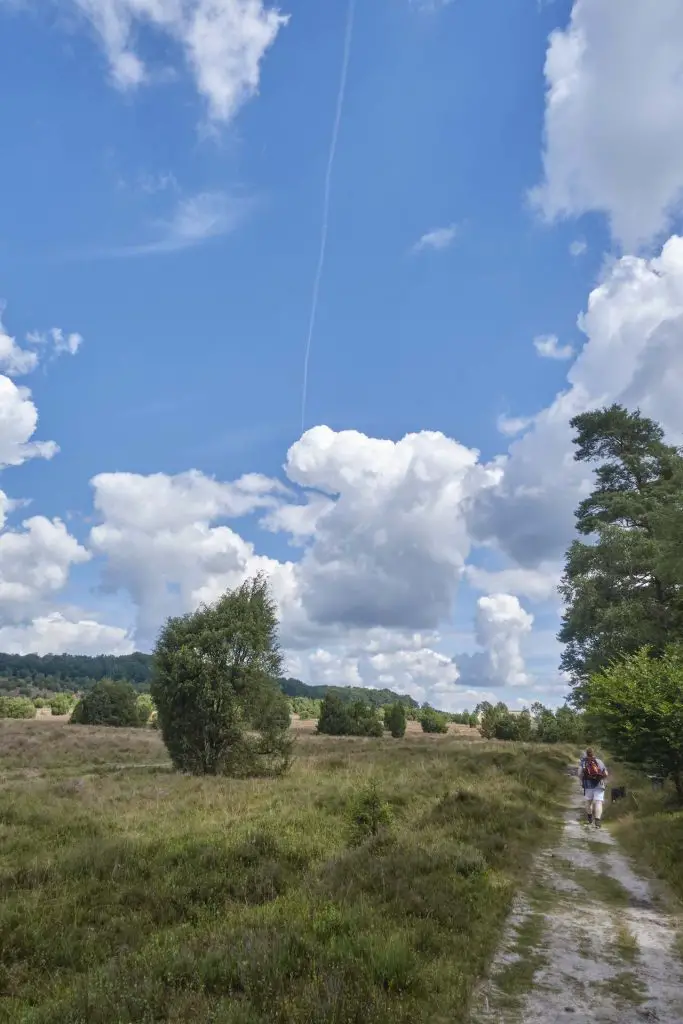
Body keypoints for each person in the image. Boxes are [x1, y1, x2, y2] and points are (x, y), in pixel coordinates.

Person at [579, 748, 608, 827]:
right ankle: (597, 821)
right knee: (598, 802)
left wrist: (581, 782)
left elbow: (579, 773)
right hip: (599, 784)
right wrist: (601, 779)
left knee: (588, 802)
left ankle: (589, 818)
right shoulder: (599, 761)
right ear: (594, 753)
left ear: (586, 753)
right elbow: (606, 773)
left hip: (588, 785)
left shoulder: (583, 762)